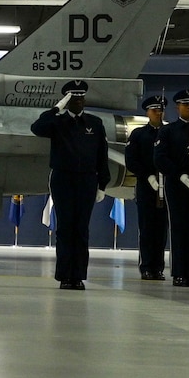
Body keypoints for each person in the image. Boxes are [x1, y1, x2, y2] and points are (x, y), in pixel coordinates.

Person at [31, 78, 108, 290]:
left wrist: (103, 184)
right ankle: (65, 276)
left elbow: (102, 155)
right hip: (63, 179)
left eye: (81, 96)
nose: (79, 101)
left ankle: (79, 276)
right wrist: (57, 108)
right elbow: (37, 128)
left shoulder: (94, 123)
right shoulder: (57, 122)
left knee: (81, 229)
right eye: (74, 97)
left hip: (87, 180)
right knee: (65, 229)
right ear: (67, 100)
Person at [153, 87, 189, 288]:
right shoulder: (168, 130)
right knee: (178, 227)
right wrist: (179, 175)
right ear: (178, 107)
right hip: (176, 185)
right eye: (185, 104)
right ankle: (178, 273)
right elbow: (160, 158)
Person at [124, 95, 168, 281]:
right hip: (146, 185)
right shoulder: (139, 134)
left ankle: (158, 267)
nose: (158, 113)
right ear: (147, 112)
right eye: (154, 110)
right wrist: (147, 175)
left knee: (162, 229)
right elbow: (131, 161)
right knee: (147, 228)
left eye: (161, 110)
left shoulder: (169, 132)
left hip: (166, 185)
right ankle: (147, 266)